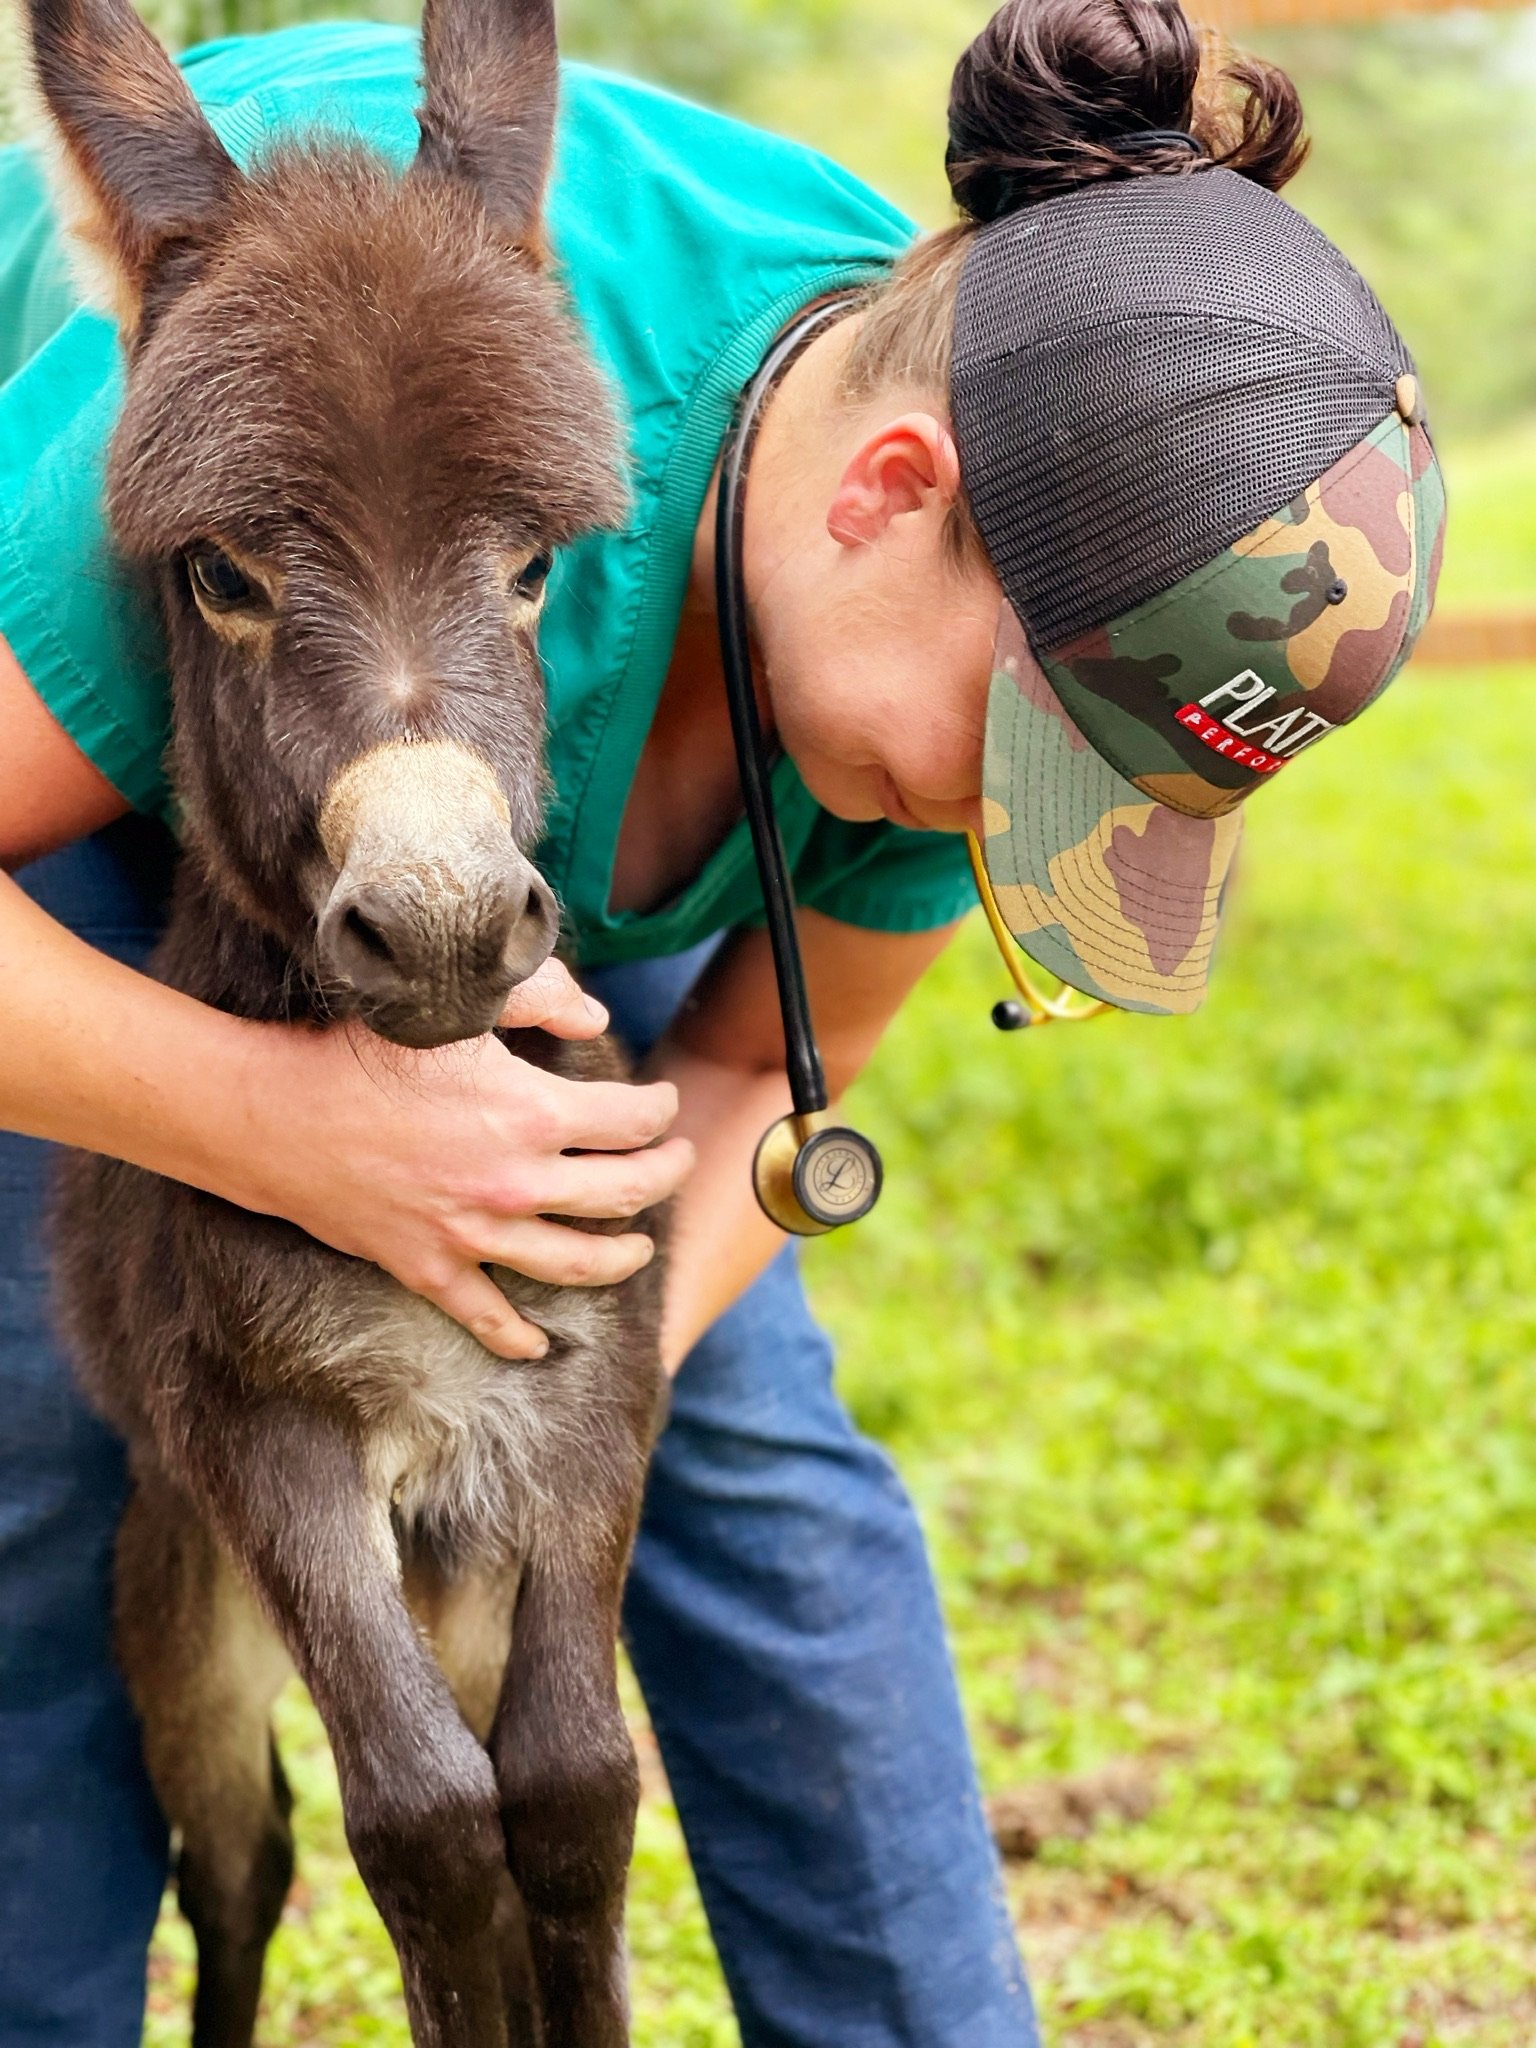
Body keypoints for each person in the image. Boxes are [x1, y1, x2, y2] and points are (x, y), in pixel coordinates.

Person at [0, 0, 1443, 2040]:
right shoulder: (364, 397)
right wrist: (274, 1122)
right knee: (57, 1441)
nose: (1000, 826)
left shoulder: (961, 659)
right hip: (164, 704)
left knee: (738, 1438)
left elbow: (757, 1072)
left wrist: (537, 1374)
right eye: (1019, 755)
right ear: (884, 490)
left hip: (549, 814)